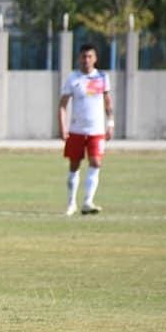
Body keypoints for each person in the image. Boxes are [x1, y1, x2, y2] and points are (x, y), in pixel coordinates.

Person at [58, 43, 115, 216]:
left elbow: (107, 102)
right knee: (74, 166)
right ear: (79, 58)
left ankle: (88, 201)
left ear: (95, 59)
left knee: (96, 162)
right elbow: (62, 105)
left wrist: (110, 123)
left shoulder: (102, 78)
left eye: (90, 56)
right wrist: (62, 126)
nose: (86, 60)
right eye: (83, 56)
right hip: (76, 129)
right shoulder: (73, 79)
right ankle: (71, 203)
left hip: (96, 130)